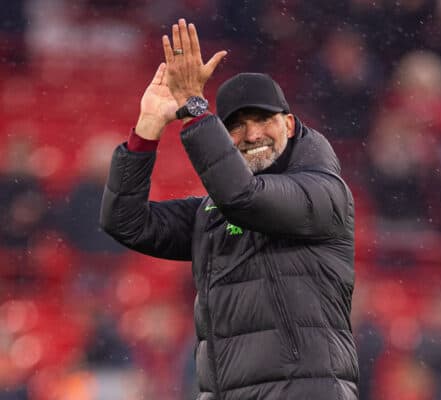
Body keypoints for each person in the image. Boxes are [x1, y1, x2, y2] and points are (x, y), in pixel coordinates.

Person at [100, 18, 358, 400]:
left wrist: (194, 108)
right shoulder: (213, 213)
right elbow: (126, 223)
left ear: (288, 122)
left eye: (263, 120)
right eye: (236, 125)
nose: (252, 134)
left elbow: (246, 198)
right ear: (223, 135)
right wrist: (148, 127)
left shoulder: (326, 192)